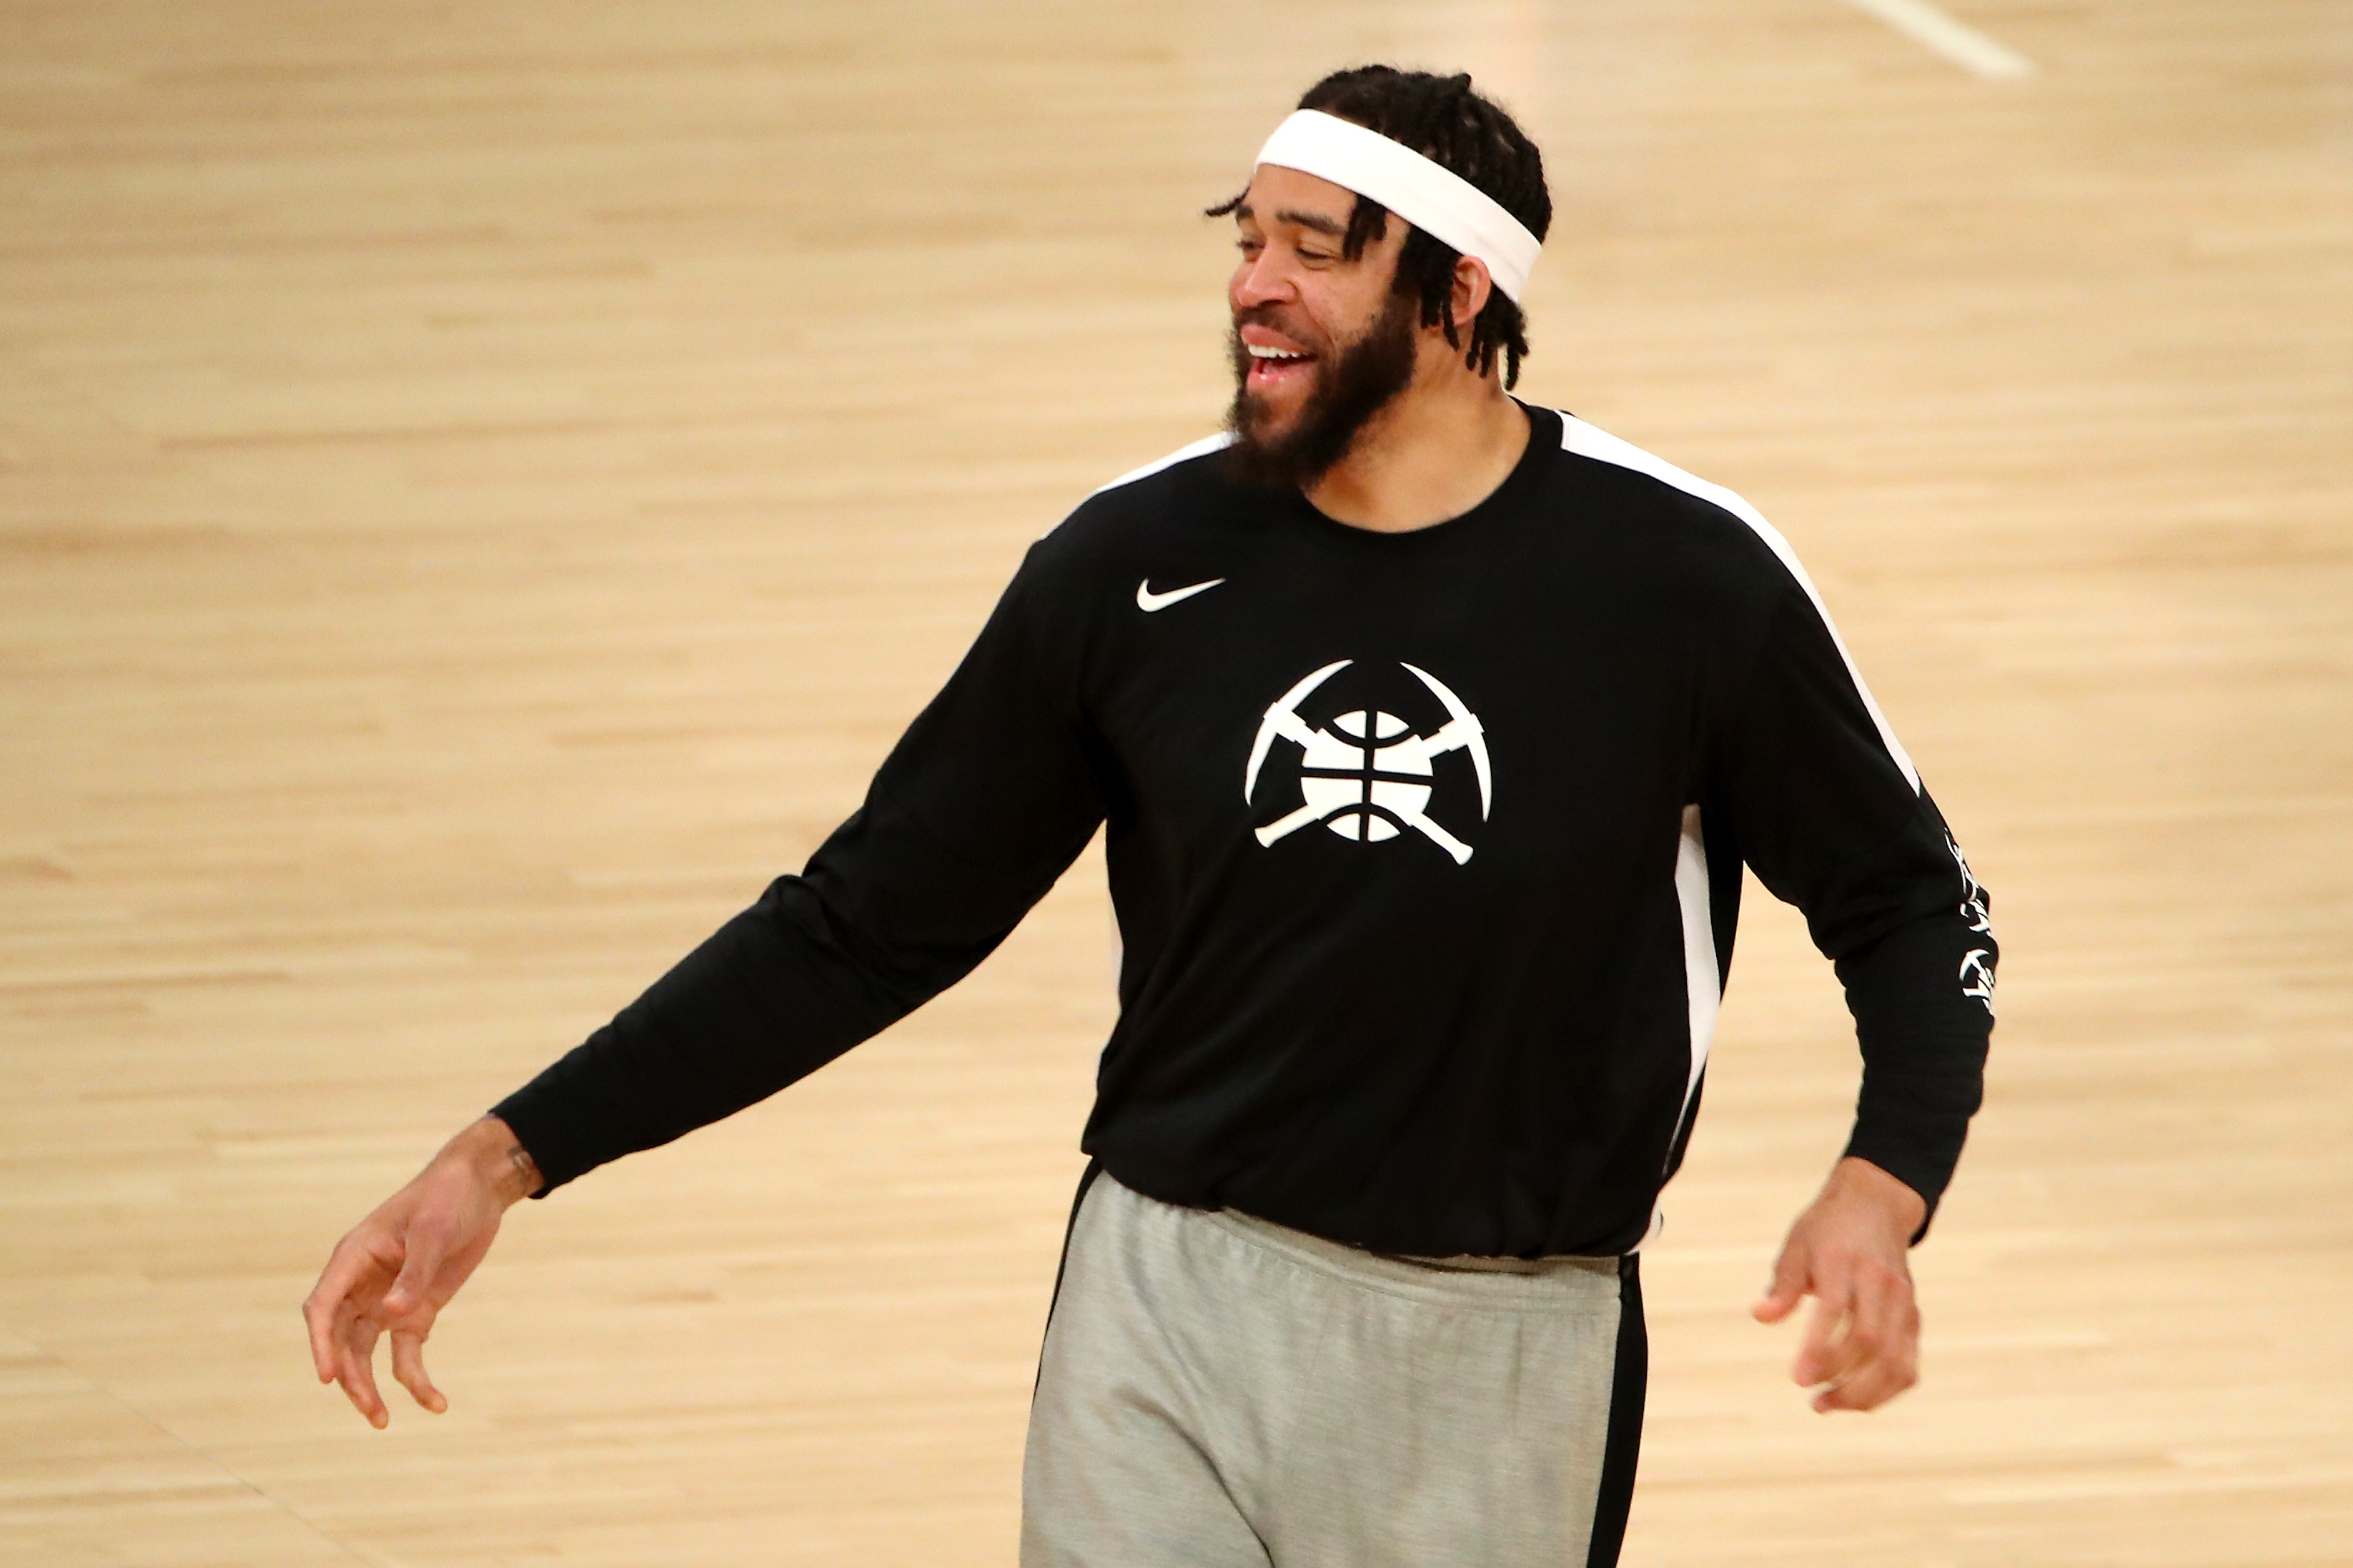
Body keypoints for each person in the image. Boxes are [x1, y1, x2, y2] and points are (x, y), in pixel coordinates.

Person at [304, 65, 1996, 1567]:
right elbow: (865, 919)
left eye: (1315, 247)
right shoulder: (1126, 566)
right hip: (1161, 1294)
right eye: (1243, 236)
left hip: (1493, 1348)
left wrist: (1882, 1175)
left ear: (1460, 289)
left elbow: (1915, 908)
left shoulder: (1681, 581)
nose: (1252, 284)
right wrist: (505, 1154)